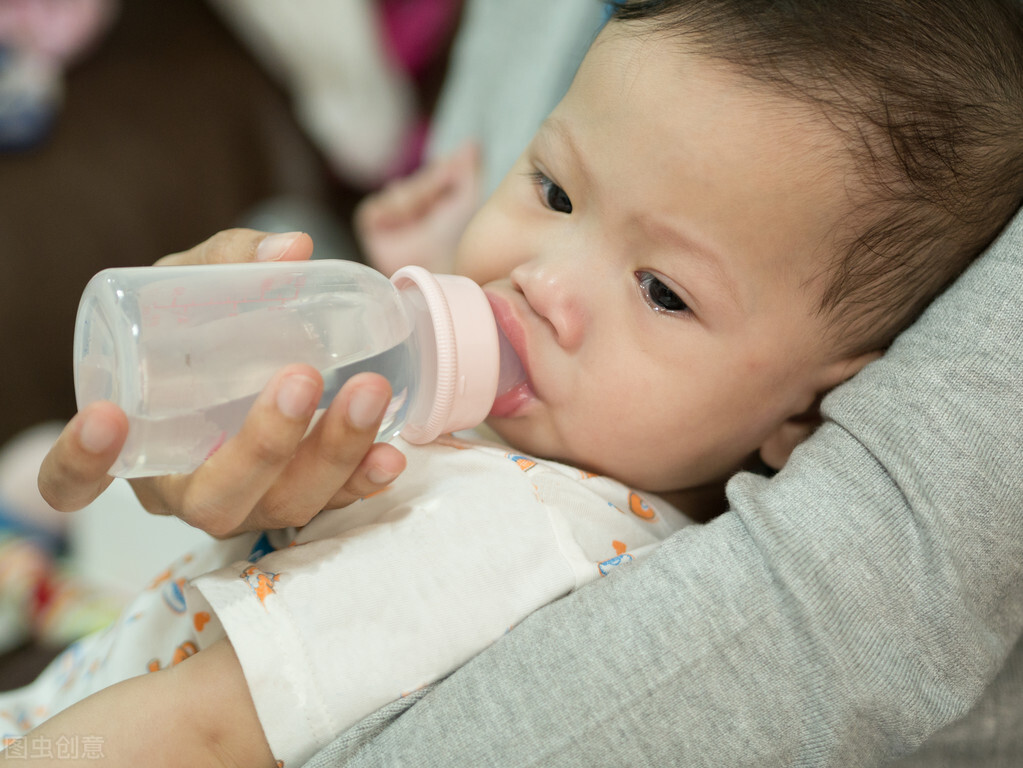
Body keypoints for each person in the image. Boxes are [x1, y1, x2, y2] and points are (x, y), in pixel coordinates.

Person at [13, 1, 1023, 767]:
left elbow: (201, 735)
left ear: (808, 413)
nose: (543, 283)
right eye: (553, 189)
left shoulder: (517, 538)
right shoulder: (536, 448)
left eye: (664, 292)